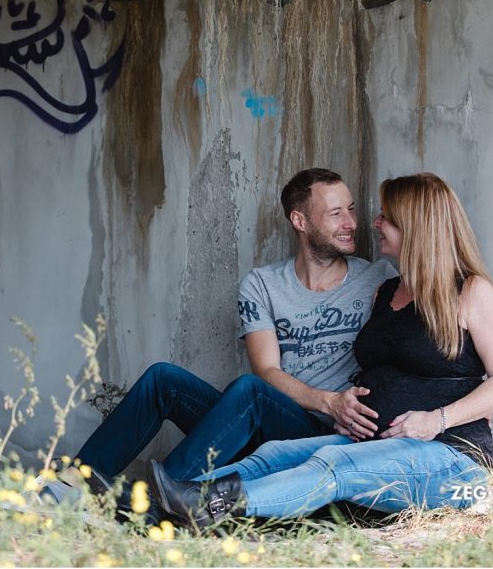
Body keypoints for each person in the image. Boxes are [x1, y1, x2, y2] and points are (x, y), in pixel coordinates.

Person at [147, 172, 493, 526]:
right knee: (274, 455)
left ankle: (209, 505)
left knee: (331, 461)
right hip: (371, 444)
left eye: (386, 217)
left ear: (415, 227)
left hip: (449, 456)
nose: (373, 223)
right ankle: (162, 501)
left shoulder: (472, 293)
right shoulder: (387, 292)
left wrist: (438, 418)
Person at [74, 168, 397, 486]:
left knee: (249, 392)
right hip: (265, 418)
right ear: (300, 221)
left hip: (327, 434)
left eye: (351, 210)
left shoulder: (377, 280)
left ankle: (161, 499)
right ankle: (73, 485)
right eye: (336, 213)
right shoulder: (263, 284)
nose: (351, 223)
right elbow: (267, 371)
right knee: (164, 379)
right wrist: (328, 401)